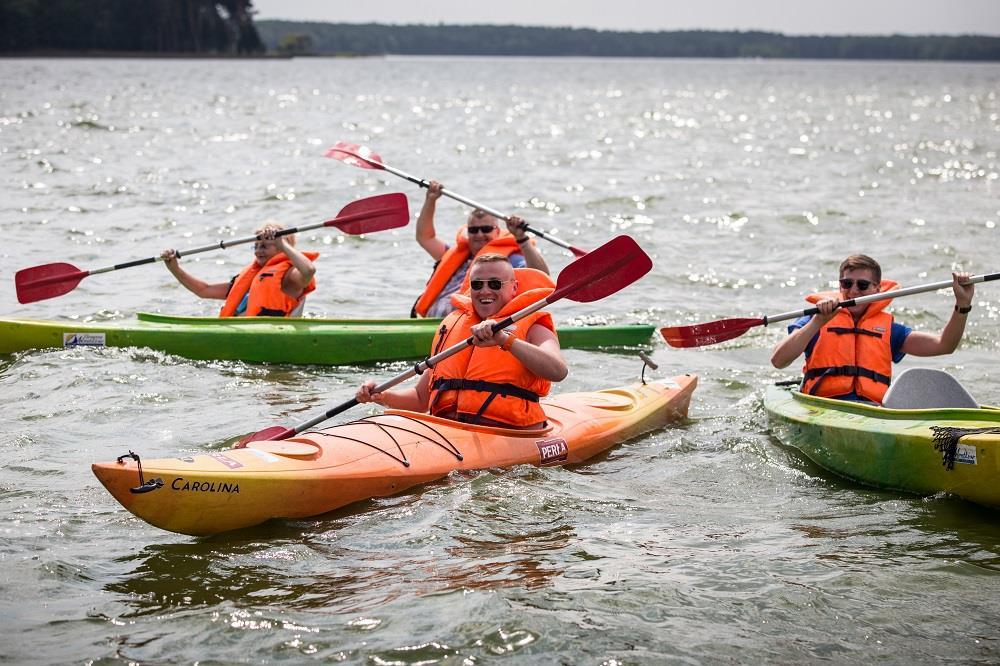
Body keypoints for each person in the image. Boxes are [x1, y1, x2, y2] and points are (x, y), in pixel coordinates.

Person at [359, 253, 567, 429]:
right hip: (450, 433)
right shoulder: (452, 326)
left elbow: (558, 371)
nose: (485, 291)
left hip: (511, 433)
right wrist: (382, 396)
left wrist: (505, 340)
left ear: (514, 288)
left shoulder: (533, 326)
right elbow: (420, 400)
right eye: (477, 284)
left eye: (494, 284)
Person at [770, 254, 975, 404]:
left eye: (862, 285)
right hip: (823, 407)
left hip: (871, 412)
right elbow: (778, 361)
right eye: (847, 283)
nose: (853, 291)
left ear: (877, 289)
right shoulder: (817, 318)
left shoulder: (889, 330)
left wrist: (962, 304)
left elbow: (944, 345)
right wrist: (817, 322)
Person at [411, 180, 550, 318]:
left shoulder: (507, 261)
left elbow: (541, 276)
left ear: (497, 231)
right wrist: (431, 199)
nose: (479, 234)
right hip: (433, 325)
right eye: (473, 230)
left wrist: (522, 239)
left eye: (486, 229)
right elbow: (425, 237)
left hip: (469, 327)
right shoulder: (454, 254)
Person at [161, 222, 318, 317]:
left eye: (264, 246)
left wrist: (282, 244)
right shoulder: (251, 278)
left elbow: (309, 270)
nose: (258, 251)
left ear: (282, 247)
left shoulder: (290, 276)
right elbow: (204, 290)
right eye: (256, 246)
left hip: (276, 334)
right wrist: (174, 268)